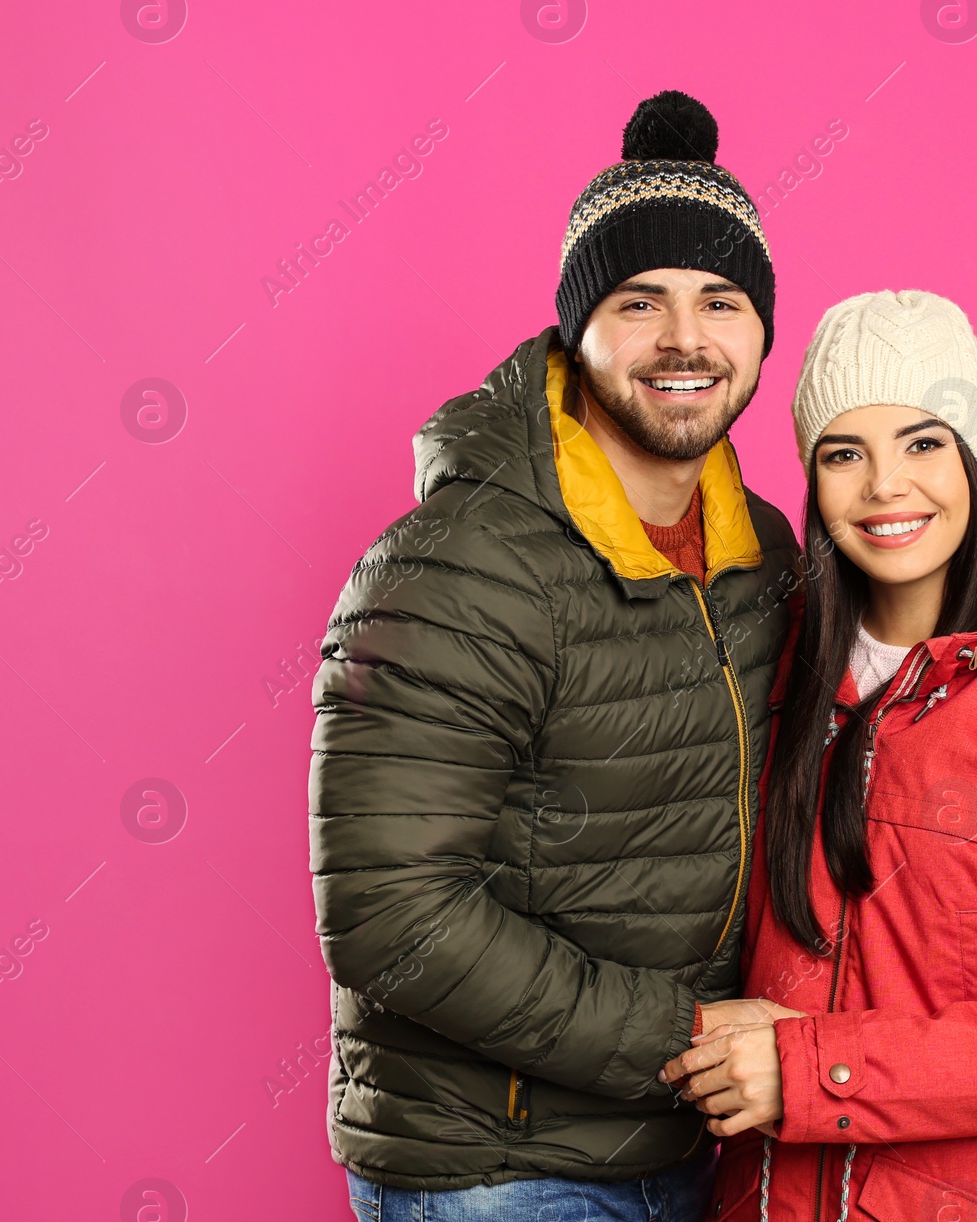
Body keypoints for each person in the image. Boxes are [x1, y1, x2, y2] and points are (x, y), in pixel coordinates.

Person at [307, 90, 802, 1220]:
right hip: (497, 1169)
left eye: (720, 301)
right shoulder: (457, 563)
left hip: (682, 1147)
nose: (686, 339)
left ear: (762, 330)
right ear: (576, 326)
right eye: (641, 302)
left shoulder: (764, 553)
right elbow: (392, 914)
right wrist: (689, 1043)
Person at [661, 290, 977, 1220]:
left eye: (923, 443)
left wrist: (814, 1068)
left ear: (975, 456)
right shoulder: (772, 685)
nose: (886, 486)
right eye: (843, 454)